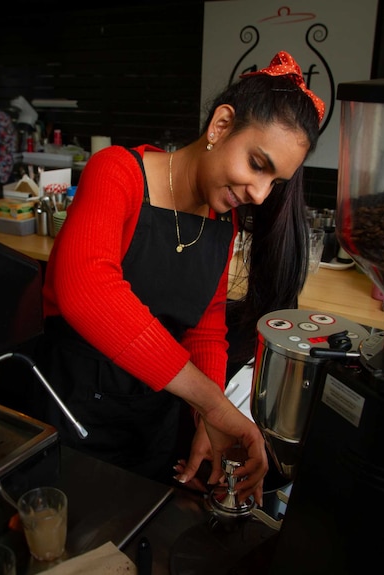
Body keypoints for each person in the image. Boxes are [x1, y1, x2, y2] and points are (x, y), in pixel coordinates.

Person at [29, 51, 324, 506]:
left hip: (152, 423)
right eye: (257, 165)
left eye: (275, 182)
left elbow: (204, 326)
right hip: (72, 412)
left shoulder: (221, 223)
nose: (261, 195)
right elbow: (86, 290)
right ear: (221, 126)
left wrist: (206, 420)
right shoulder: (118, 172)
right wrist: (211, 403)